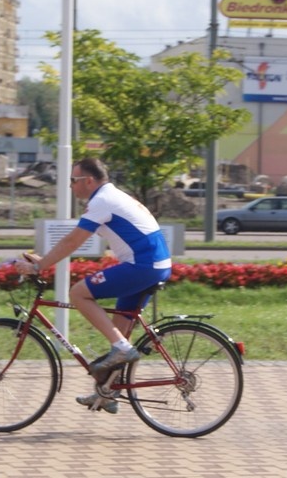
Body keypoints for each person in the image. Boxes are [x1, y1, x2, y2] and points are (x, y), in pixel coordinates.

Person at [14, 158, 172, 414]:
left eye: (73, 181)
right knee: (119, 334)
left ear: (88, 181)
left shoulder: (101, 201)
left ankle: (123, 350)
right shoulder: (111, 197)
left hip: (143, 266)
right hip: (154, 264)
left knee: (78, 293)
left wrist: (39, 266)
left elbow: (72, 241)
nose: (70, 186)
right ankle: (108, 393)